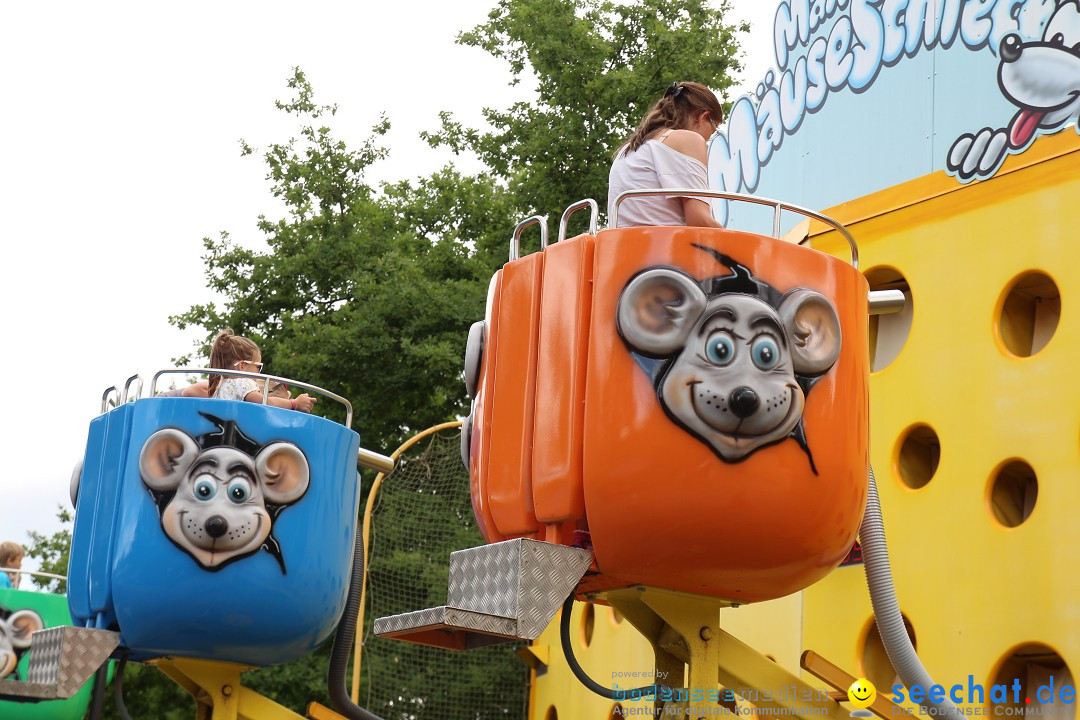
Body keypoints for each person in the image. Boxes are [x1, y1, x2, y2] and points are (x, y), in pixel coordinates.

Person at [608, 81, 726, 229]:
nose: (708, 139)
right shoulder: (689, 140)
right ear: (703, 117)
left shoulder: (627, 150)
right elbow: (699, 220)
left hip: (622, 248)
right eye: (714, 128)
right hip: (667, 248)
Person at [208, 330, 316, 412]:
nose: (259, 373)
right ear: (242, 366)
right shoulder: (243, 382)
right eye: (258, 367)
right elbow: (266, 402)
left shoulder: (220, 386)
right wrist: (294, 403)